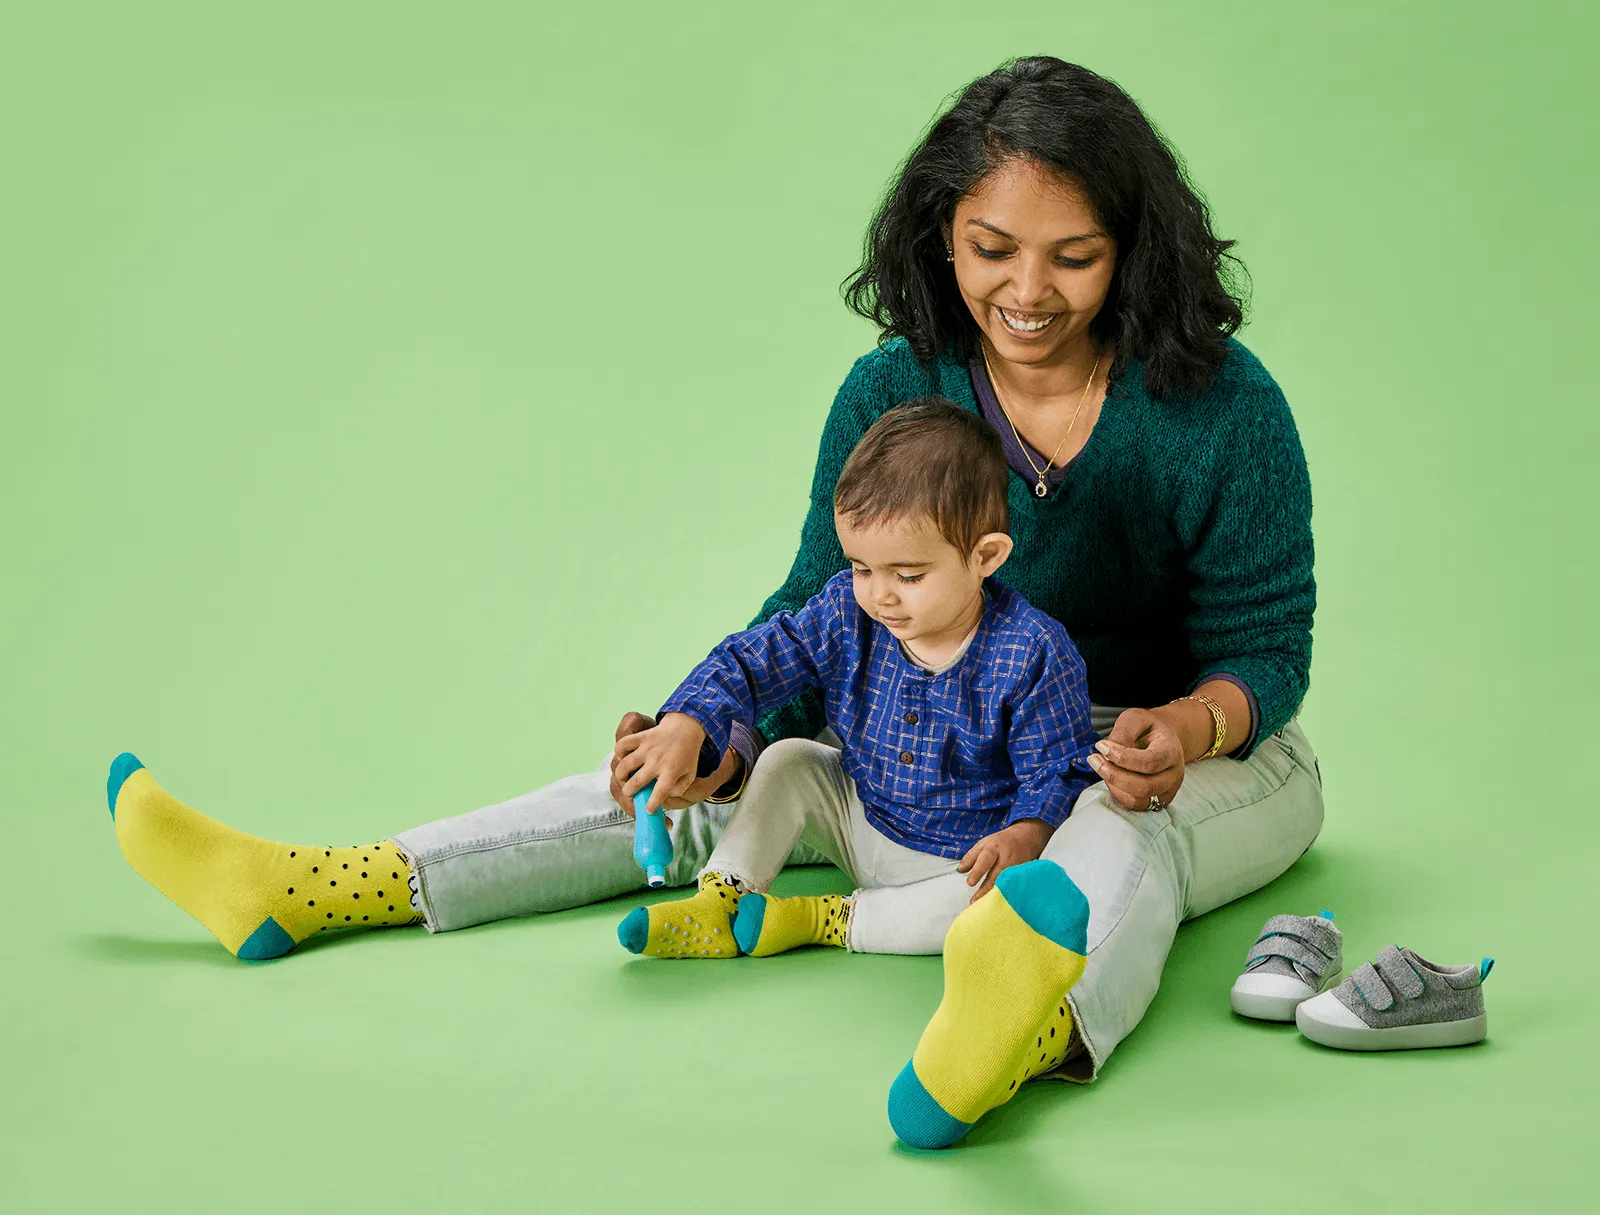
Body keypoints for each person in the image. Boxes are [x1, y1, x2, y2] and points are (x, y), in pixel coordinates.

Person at [104, 54, 1321, 1093]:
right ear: (938, 233)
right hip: (927, 733)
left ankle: (1026, 1031)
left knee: (1115, 835)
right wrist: (713, 731)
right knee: (685, 784)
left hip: (1174, 752)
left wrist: (1188, 726)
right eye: (990, 249)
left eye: (1075, 258)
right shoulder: (894, 388)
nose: (1026, 293)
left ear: (1133, 254)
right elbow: (818, 606)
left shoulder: (1218, 408)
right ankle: (330, 886)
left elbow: (1267, 644)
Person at [611, 398, 1099, 964]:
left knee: (1012, 903)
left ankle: (825, 919)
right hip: (861, 819)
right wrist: (688, 721)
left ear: (985, 557)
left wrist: (1028, 833)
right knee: (790, 759)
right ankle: (723, 895)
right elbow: (754, 659)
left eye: (908, 575)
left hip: (961, 862)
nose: (880, 594)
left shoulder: (1034, 652)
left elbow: (1057, 769)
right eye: (862, 568)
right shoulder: (848, 611)